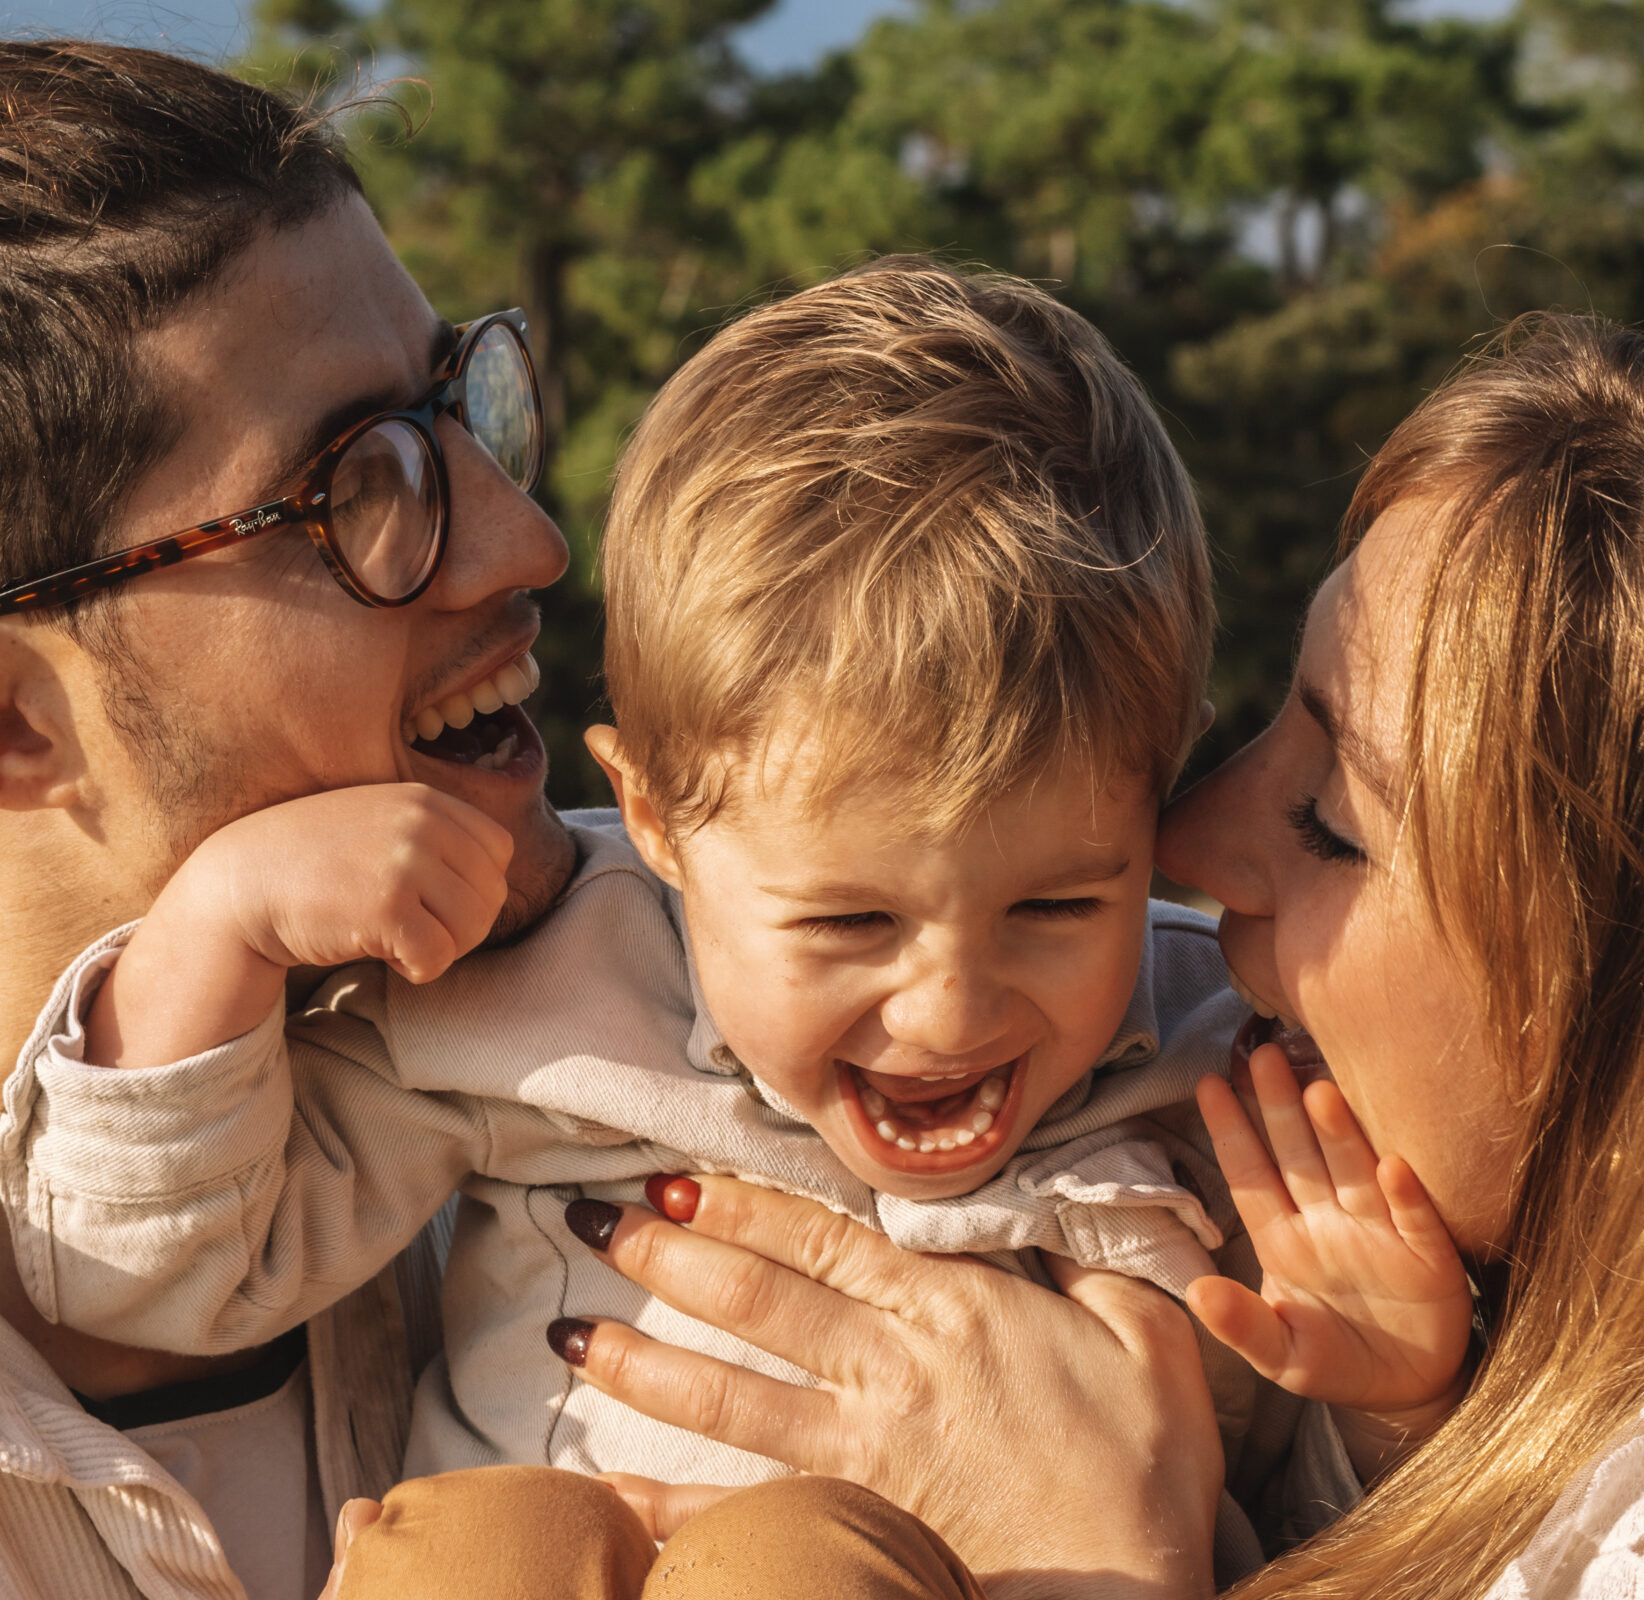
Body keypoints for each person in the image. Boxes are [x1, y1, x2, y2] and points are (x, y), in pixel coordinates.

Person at [6, 260, 1466, 1590]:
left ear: (1151, 800)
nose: (951, 1010)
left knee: (797, 1569)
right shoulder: (544, 976)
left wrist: (1383, 1407)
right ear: (654, 821)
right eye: (844, 921)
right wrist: (216, 934)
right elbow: (153, 1281)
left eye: (1055, 904)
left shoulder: (1205, 1064)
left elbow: (1278, 1504)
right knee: (479, 1545)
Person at [514, 313, 1644, 1598]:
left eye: (1333, 823)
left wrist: (1105, 1555)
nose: (1183, 839)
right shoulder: (571, 970)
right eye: (851, 917)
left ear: (1639, 1000)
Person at [0, 37, 573, 1599]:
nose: (525, 543)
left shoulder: (694, 1053)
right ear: (15, 721)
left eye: (466, 406)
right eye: (356, 487)